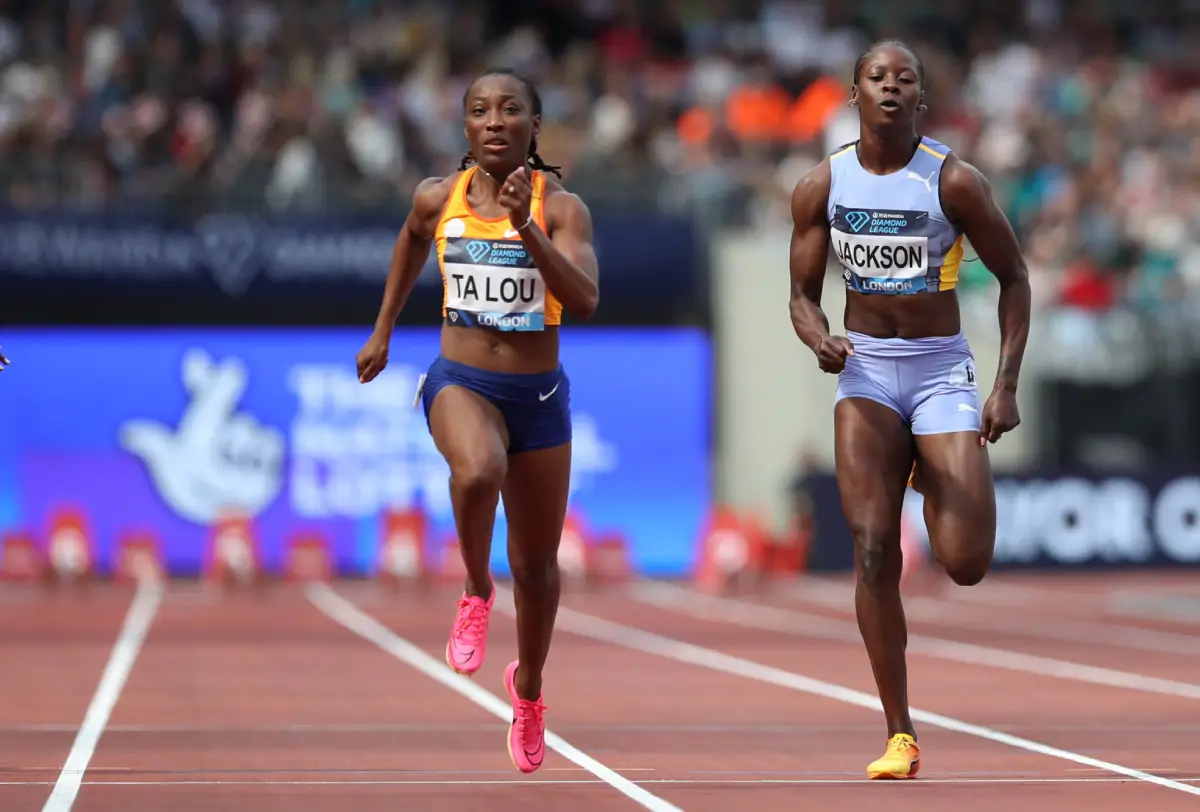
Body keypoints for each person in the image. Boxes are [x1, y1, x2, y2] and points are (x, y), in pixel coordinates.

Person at [787, 40, 1030, 780]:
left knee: (965, 564)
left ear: (920, 98)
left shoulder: (953, 182)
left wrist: (1005, 385)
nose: (891, 88)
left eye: (905, 80)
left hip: (938, 373)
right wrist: (818, 337)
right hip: (865, 372)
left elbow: (1015, 280)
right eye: (877, 77)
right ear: (852, 91)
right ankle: (900, 732)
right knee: (870, 551)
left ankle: (927, 465)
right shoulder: (821, 185)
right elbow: (800, 294)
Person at [355, 67, 600, 775]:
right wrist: (384, 329)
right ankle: (473, 586)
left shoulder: (563, 208)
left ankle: (528, 692)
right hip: (460, 378)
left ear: (533, 125)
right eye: (480, 111)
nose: (495, 121)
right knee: (478, 468)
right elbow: (407, 242)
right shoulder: (439, 198)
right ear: (464, 128)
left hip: (541, 398)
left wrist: (527, 227)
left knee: (538, 567)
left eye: (510, 109)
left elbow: (583, 300)